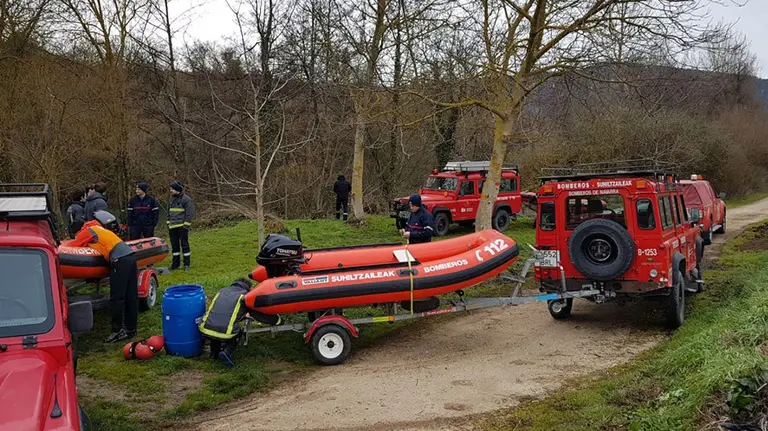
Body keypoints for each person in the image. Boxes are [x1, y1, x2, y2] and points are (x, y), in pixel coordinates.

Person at [69, 210, 138, 343]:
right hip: (129, 255)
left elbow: (73, 246)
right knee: (131, 295)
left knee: (117, 297)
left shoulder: (86, 232)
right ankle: (131, 329)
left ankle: (117, 331)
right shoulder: (97, 228)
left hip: (118, 259)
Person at [198, 278, 281, 367]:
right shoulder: (245, 296)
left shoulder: (222, 291)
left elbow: (225, 310)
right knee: (237, 331)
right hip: (225, 332)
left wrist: (241, 315)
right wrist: (277, 320)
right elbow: (257, 314)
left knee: (217, 328)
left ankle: (214, 354)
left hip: (205, 328)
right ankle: (227, 351)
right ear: (248, 287)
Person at [167, 181, 195, 271]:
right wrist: (168, 223)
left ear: (177, 189)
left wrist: (186, 225)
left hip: (182, 227)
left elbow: (189, 214)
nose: (170, 190)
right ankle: (175, 264)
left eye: (172, 189)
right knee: (174, 246)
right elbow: (168, 212)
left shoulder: (186, 199)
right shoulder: (171, 199)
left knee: (184, 245)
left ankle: (186, 264)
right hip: (172, 227)